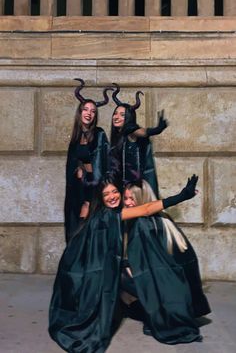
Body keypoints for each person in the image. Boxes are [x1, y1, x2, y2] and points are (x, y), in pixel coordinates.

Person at [49, 174, 203, 352]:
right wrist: (181, 196)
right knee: (132, 282)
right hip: (84, 271)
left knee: (128, 276)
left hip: (82, 267)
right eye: (106, 194)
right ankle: (155, 314)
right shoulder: (107, 215)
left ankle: (151, 312)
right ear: (100, 198)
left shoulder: (100, 213)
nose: (112, 196)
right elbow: (146, 209)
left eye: (115, 191)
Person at [122, 179, 211, 327]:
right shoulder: (164, 220)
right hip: (190, 305)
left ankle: (147, 311)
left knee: (117, 272)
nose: (128, 203)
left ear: (144, 200)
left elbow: (146, 270)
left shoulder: (142, 225)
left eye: (133, 198)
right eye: (125, 198)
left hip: (170, 302)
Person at [64, 78, 111, 243]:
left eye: (93, 111)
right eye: (86, 109)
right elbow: (71, 164)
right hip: (78, 189)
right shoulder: (75, 138)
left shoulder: (99, 134)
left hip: (94, 187)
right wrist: (77, 168)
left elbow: (105, 161)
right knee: (76, 225)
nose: (89, 113)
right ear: (80, 112)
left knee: (90, 224)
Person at [110, 83, 168, 197]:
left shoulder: (130, 131)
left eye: (122, 115)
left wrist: (156, 130)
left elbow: (140, 132)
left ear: (129, 118)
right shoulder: (117, 138)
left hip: (136, 191)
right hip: (122, 189)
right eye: (115, 113)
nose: (117, 117)